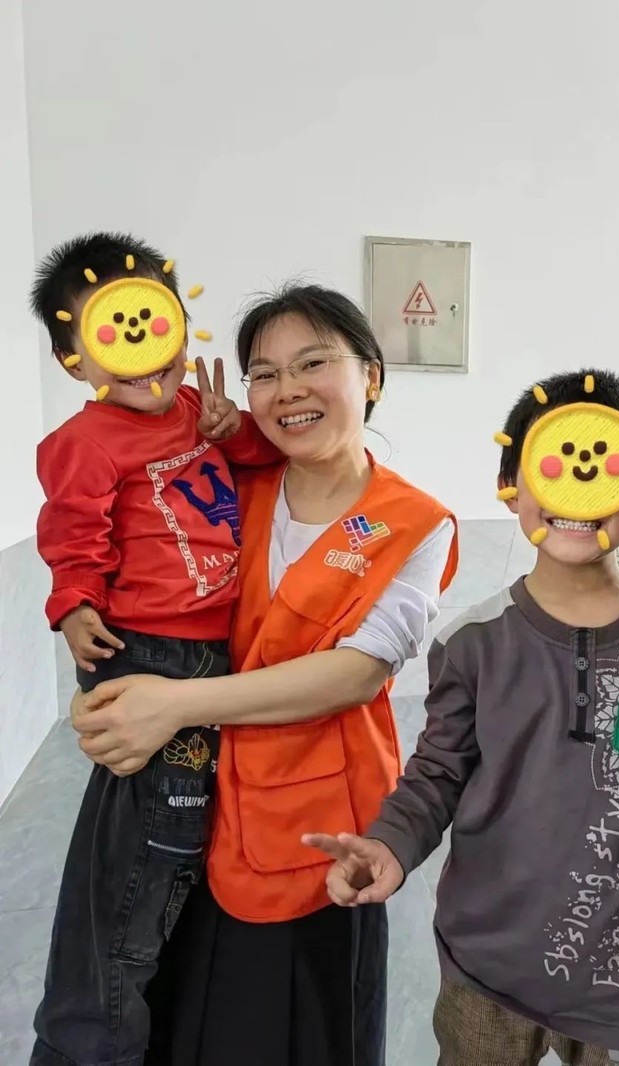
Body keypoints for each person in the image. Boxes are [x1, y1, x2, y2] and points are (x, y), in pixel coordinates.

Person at [305, 369, 619, 1066]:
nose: (577, 485)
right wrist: (391, 842)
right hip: (486, 971)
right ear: (510, 485)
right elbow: (439, 773)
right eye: (554, 461)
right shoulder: (472, 643)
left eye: (604, 463)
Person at [71, 283, 459, 1066]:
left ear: (370, 376)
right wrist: (108, 688)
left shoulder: (416, 521)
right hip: (192, 801)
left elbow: (356, 672)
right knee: (179, 1014)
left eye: (313, 364)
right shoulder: (221, 485)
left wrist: (172, 704)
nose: (288, 391)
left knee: (305, 1027)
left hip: (320, 823)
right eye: (266, 373)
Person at [30, 231, 280, 1066]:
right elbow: (73, 535)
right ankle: (100, 1031)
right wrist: (72, 605)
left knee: (194, 826)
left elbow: (259, 460)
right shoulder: (84, 441)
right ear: (75, 360)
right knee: (159, 837)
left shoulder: (196, 411)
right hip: (150, 650)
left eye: (154, 320)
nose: (143, 348)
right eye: (114, 330)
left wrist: (233, 428)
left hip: (215, 651)